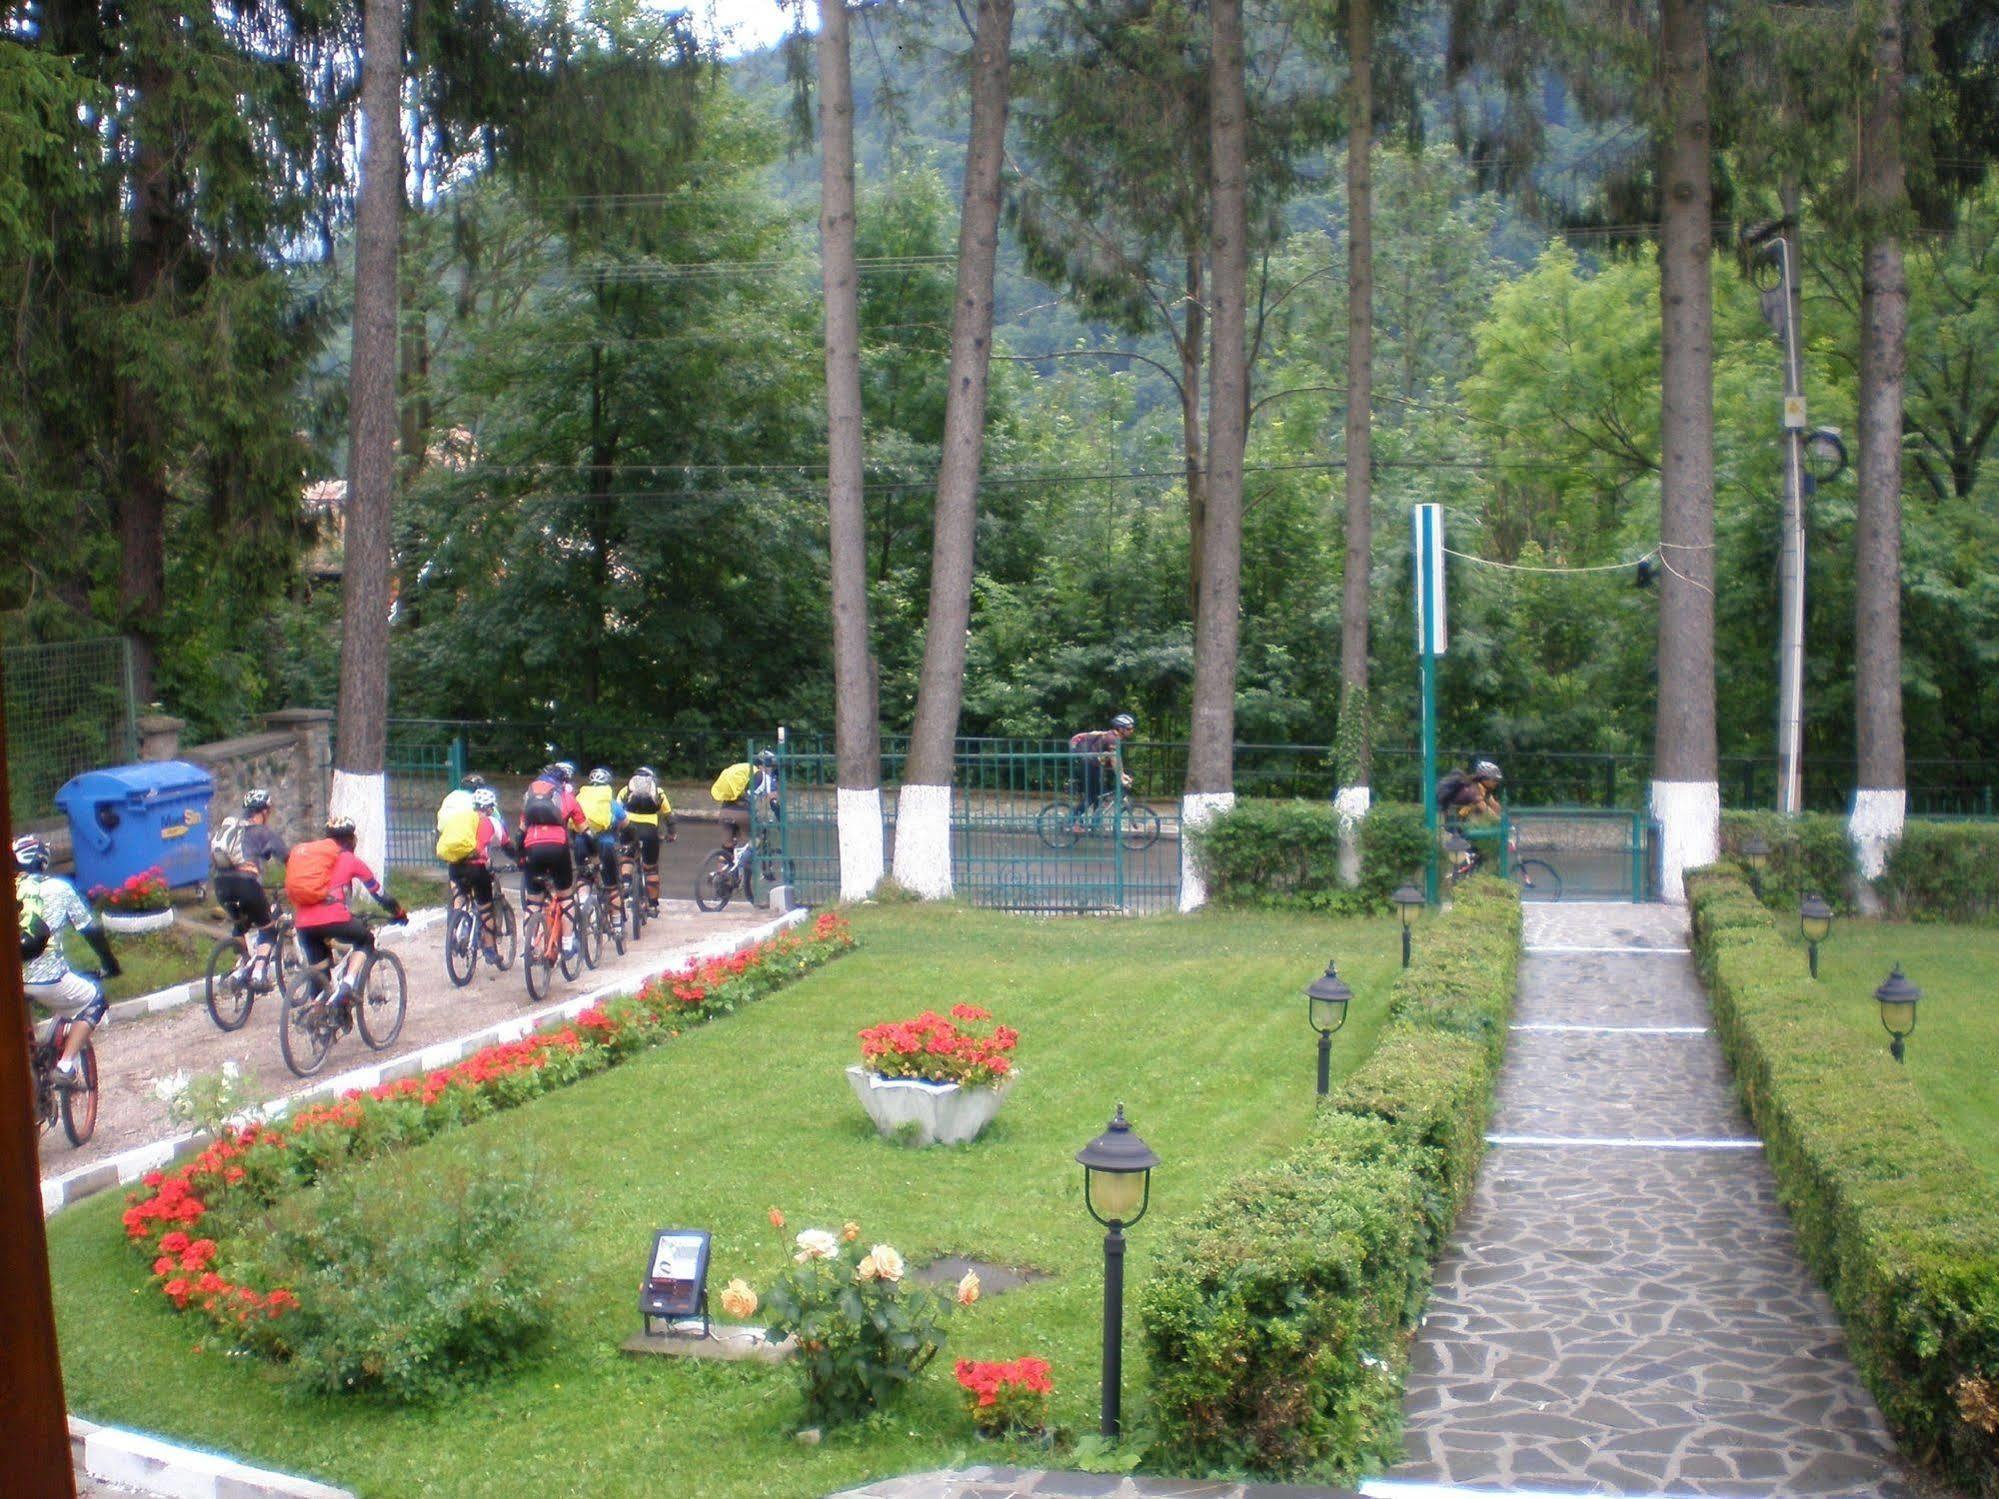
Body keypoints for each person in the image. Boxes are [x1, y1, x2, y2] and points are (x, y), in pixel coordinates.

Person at [14, 835, 121, 1084]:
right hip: (47, 979)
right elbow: (89, 930)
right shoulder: (59, 888)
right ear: (43, 862)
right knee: (95, 999)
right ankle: (65, 1066)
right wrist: (110, 964)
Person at [286, 816, 405, 1007]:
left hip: (303, 923)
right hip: (333, 918)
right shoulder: (350, 860)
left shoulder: (314, 862)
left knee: (320, 972)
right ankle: (348, 985)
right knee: (366, 939)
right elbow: (378, 892)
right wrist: (398, 912)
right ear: (351, 839)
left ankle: (319, 1017)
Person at [211, 789, 290, 977]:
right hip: (246, 885)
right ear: (263, 812)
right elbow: (288, 858)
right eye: (268, 811)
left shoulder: (231, 828)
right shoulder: (262, 832)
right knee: (268, 929)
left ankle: (242, 967)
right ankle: (259, 972)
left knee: (242, 924)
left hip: (221, 886)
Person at [517, 763, 588, 946]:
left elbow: (520, 832)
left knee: (533, 902)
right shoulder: (567, 797)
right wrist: (592, 855)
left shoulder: (530, 798)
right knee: (565, 897)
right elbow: (585, 831)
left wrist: (521, 856)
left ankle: (529, 945)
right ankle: (567, 944)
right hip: (558, 848)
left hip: (532, 847)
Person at [448, 788, 516, 965]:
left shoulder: (462, 819)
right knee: (486, 908)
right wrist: (522, 860)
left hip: (455, 867)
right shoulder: (492, 822)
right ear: (490, 808)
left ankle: (455, 932)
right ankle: (489, 949)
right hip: (476, 869)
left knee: (461, 898)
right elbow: (507, 846)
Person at [618, 765, 674, 913]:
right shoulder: (658, 791)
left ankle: (625, 883)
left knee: (626, 857)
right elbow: (668, 815)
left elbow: (616, 811)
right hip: (650, 830)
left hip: (629, 828)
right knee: (651, 867)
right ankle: (654, 904)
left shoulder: (625, 790)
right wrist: (671, 833)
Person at [1438, 760, 1504, 876]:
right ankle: (1458, 874)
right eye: (1494, 779)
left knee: (1481, 848)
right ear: (1485, 778)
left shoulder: (1484, 790)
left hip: (1463, 823)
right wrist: (1502, 823)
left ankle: (1469, 871)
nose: (1496, 783)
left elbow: (1495, 807)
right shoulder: (1473, 790)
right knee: (1481, 845)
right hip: (1454, 824)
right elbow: (1486, 811)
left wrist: (1504, 818)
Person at [1068, 712, 1136, 824]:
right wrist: (1121, 777)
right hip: (1089, 767)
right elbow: (1114, 760)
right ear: (1120, 728)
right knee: (1092, 797)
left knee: (1101, 795)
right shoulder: (1112, 739)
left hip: (1095, 767)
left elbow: (1117, 758)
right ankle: (1071, 819)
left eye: (1132, 728)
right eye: (1129, 728)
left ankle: (1095, 823)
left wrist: (1122, 774)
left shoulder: (1114, 737)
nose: (1131, 731)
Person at [710, 750, 777, 852]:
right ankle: (745, 864)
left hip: (725, 812)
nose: (771, 769)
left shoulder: (745, 771)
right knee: (756, 839)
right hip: (743, 814)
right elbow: (770, 801)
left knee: (727, 849)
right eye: (770, 766)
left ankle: (722, 866)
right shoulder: (763, 777)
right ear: (762, 766)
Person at [575, 767, 628, 895]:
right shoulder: (611, 803)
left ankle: (583, 907)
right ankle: (615, 915)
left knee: (584, 877)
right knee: (612, 885)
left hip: (581, 842)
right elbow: (626, 824)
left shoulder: (579, 801)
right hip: (605, 844)